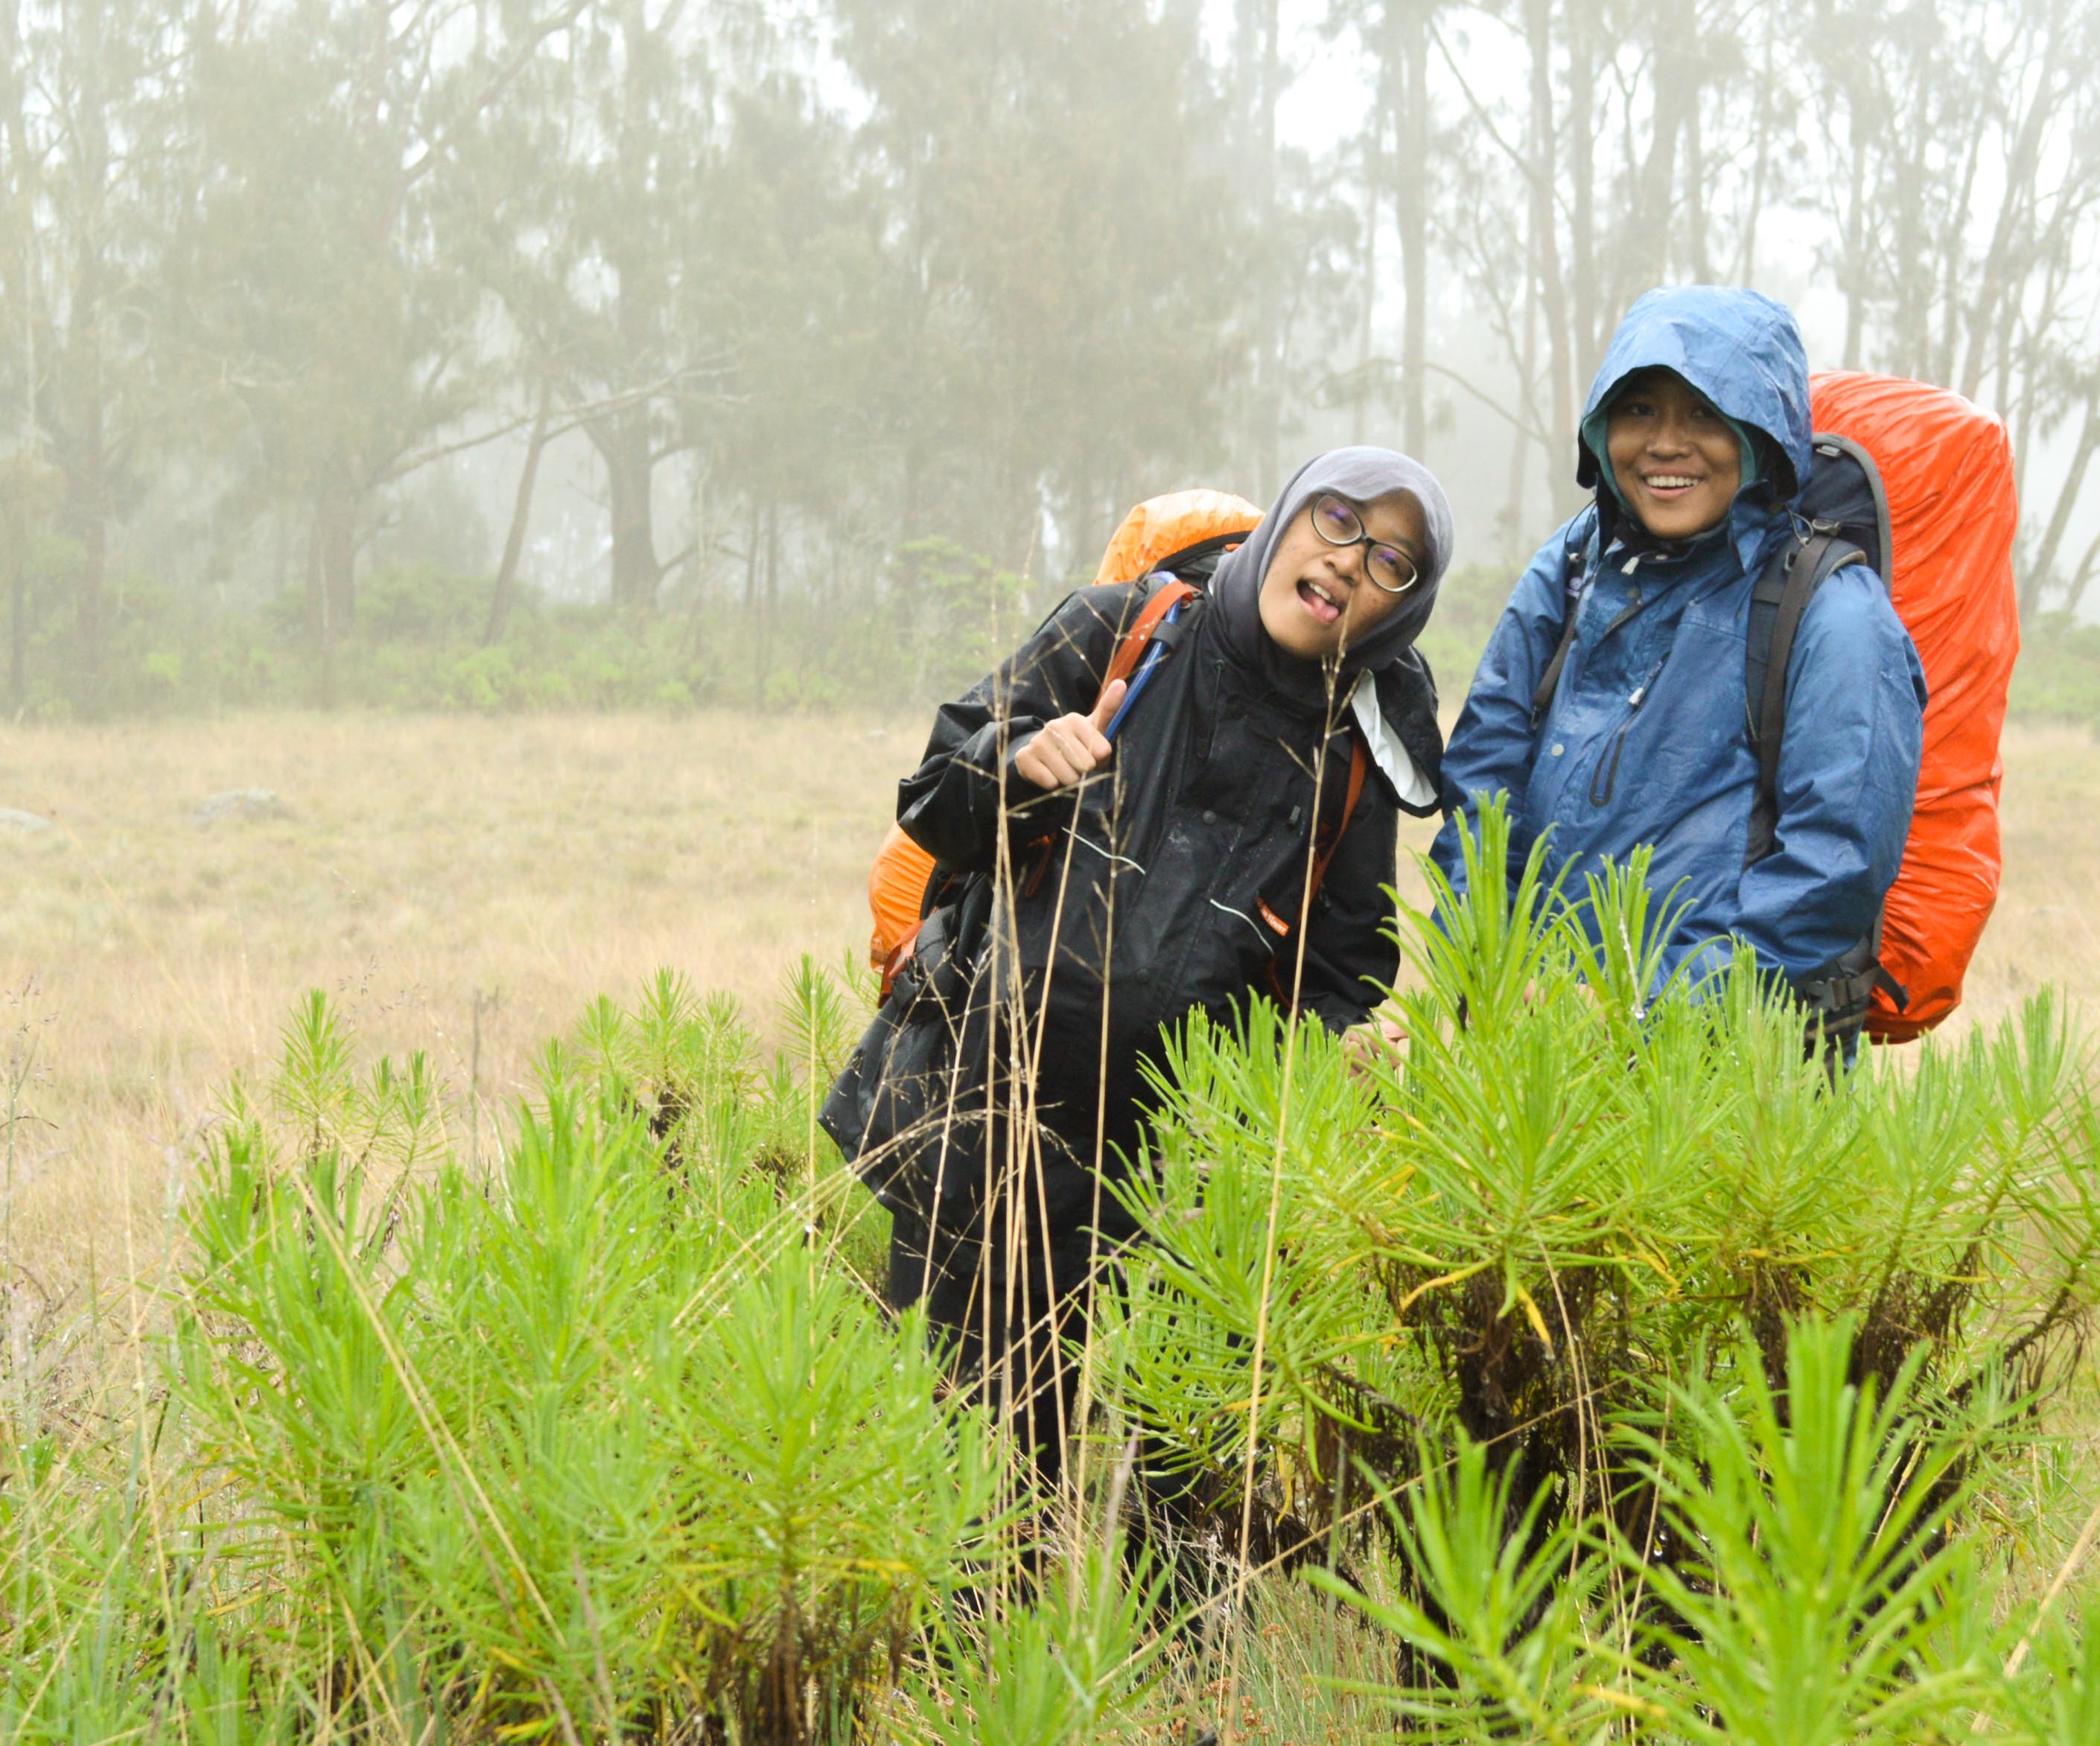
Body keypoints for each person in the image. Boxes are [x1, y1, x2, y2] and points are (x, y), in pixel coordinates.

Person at [822, 450, 1452, 1485]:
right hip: (982, 1126)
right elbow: (935, 790)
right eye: (1337, 519)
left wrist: (1336, 1046)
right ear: (1286, 518)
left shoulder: (1358, 754)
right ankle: (975, 1647)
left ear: (1401, 607)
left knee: (1182, 1495)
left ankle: (1171, 1657)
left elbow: (1345, 969)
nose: (1349, 561)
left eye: (1392, 559)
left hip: (1177, 1183)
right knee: (965, 1475)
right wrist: (1013, 763)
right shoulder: (1122, 628)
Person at [1431, 287, 1925, 1039]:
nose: (1665, 444)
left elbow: (1831, 873)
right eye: (1638, 412)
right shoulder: (1570, 567)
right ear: (1601, 430)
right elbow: (1482, 785)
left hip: (1725, 1083)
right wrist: (1481, 978)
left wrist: (1641, 1016)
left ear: (1764, 435)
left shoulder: (1835, 616)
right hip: (1528, 1056)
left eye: (1705, 414)